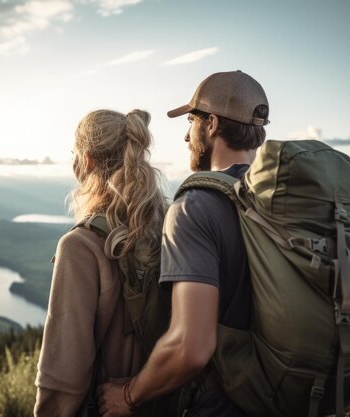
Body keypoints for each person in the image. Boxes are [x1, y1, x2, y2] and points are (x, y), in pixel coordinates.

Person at [97, 71, 270, 417]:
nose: (186, 135)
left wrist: (129, 395)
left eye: (191, 120)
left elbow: (191, 347)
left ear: (212, 124)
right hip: (288, 398)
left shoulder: (195, 208)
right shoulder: (278, 201)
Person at [34, 109, 168, 416]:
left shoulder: (80, 245)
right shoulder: (170, 223)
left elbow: (64, 371)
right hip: (165, 399)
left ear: (87, 160)